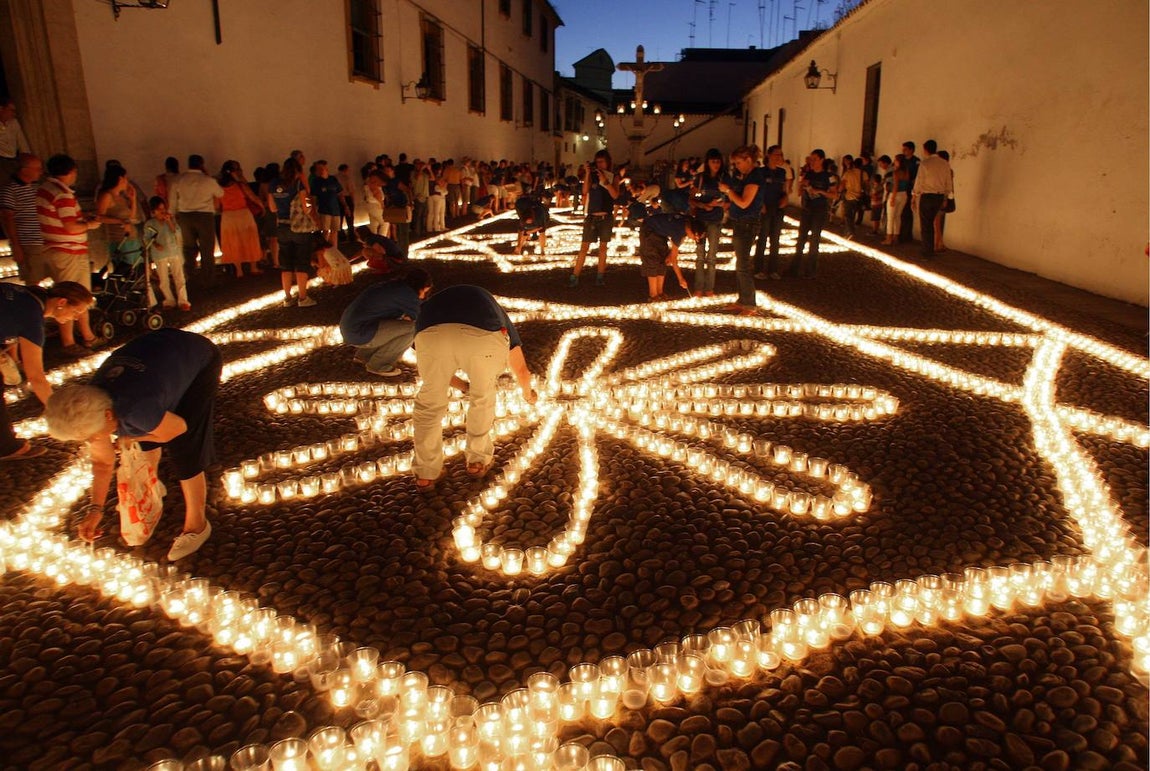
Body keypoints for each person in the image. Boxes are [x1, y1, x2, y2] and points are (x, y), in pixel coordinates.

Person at [45, 329, 221, 560]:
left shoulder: (136, 408)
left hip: (197, 356)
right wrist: (95, 510)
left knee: (184, 450)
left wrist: (132, 438)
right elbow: (101, 463)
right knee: (140, 433)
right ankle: (150, 484)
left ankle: (197, 525)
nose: (92, 441)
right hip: (154, 359)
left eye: (92, 435)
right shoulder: (88, 406)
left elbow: (178, 429)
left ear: (108, 416)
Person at [412, 285, 537, 491]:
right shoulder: (493, 311)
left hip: (429, 333)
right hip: (482, 335)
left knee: (429, 404)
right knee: (483, 396)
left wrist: (463, 387)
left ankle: (426, 473)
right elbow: (521, 369)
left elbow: (438, 369)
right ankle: (477, 461)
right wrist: (528, 394)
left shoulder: (430, 308)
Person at [0, 281, 94, 460]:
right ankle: (7, 447)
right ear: (61, 302)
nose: (75, 318)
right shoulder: (32, 319)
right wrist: (59, 412)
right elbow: (36, 377)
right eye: (75, 312)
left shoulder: (30, 296)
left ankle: (6, 445)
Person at [35, 154, 105, 356]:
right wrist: (90, 224)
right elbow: (70, 226)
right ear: (71, 171)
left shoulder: (45, 190)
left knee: (79, 295)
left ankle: (87, 336)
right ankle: (70, 342)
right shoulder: (62, 194)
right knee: (70, 296)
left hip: (57, 248)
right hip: (68, 250)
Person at [340, 267, 433, 376]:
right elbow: (422, 322)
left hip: (350, 329)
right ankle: (379, 365)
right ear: (421, 287)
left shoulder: (395, 287)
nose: (423, 296)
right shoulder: (408, 296)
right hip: (359, 333)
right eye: (425, 292)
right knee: (413, 329)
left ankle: (364, 356)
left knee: (402, 326)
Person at [718, 145, 764, 314]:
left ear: (748, 160)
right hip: (740, 222)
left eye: (738, 162)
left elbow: (745, 202)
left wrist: (728, 191)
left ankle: (750, 303)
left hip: (747, 224)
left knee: (743, 265)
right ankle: (743, 299)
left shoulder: (754, 178)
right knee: (739, 263)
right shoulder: (748, 176)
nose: (737, 166)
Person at [268, 158, 318, 307]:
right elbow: (306, 206)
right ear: (298, 171)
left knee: (286, 263)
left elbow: (272, 208)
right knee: (302, 262)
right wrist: (310, 204)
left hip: (282, 227)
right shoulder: (298, 184)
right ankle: (303, 298)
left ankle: (287, 298)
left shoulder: (273, 184)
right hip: (299, 228)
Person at [569, 150, 620, 287]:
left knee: (603, 248)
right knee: (584, 247)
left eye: (602, 161)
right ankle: (575, 276)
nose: (599, 164)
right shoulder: (592, 176)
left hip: (606, 217)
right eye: (597, 162)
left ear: (608, 162)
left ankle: (600, 276)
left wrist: (606, 182)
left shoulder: (613, 176)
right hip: (591, 216)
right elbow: (585, 191)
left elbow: (615, 195)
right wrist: (587, 174)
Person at [785, 149, 839, 279]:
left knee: (814, 241)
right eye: (811, 159)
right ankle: (794, 268)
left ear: (822, 160)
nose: (812, 162)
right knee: (801, 239)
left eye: (814, 159)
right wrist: (802, 185)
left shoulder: (829, 176)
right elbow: (799, 192)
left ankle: (811, 270)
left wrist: (820, 192)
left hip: (819, 210)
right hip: (807, 209)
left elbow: (834, 194)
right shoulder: (808, 174)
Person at [169, 154, 223, 283]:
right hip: (204, 215)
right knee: (207, 247)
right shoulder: (207, 180)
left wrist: (172, 213)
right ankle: (208, 277)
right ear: (201, 165)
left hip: (185, 215)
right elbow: (220, 193)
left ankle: (190, 275)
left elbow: (172, 199)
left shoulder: (179, 180)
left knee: (188, 247)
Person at [0, 153, 46, 284]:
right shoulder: (9, 190)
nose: (41, 172)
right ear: (24, 170)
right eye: (37, 168)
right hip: (28, 242)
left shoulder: (36, 188)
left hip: (44, 241)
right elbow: (7, 218)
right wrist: (16, 245)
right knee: (34, 280)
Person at [217, 160, 265, 277]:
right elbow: (253, 197)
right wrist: (262, 207)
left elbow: (217, 206)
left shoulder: (218, 187)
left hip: (228, 217)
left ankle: (239, 270)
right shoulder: (240, 185)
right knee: (250, 240)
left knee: (233, 243)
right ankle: (253, 267)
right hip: (243, 214)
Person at [637, 211, 701, 301]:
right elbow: (674, 261)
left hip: (661, 233)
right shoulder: (679, 230)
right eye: (695, 237)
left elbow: (676, 246)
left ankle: (660, 292)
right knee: (652, 260)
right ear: (691, 230)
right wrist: (681, 279)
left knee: (663, 260)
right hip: (649, 229)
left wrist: (670, 255)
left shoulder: (687, 223)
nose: (694, 239)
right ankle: (653, 294)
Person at [143, 196, 190, 310]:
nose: (162, 211)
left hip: (173, 251)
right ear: (153, 211)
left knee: (179, 277)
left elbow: (176, 232)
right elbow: (146, 238)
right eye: (159, 209)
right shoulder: (149, 224)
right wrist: (155, 244)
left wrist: (169, 221)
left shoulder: (170, 220)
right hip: (159, 254)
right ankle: (169, 300)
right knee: (163, 280)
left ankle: (183, 300)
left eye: (163, 208)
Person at [692, 148, 726, 297]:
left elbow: (730, 200)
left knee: (712, 256)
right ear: (707, 163)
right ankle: (699, 287)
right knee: (700, 255)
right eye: (713, 161)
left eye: (718, 161)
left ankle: (709, 288)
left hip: (715, 220)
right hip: (700, 220)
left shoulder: (724, 179)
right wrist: (704, 205)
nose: (716, 164)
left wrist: (719, 205)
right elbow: (691, 200)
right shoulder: (700, 179)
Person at [95, 165, 142, 270]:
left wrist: (133, 199)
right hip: (119, 239)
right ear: (120, 179)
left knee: (137, 269)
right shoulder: (107, 195)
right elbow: (99, 217)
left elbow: (132, 217)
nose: (127, 181)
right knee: (126, 270)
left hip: (131, 237)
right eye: (126, 178)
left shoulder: (121, 197)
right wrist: (120, 221)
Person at [911, 139, 953, 259]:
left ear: (925, 149)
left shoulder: (925, 164)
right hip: (939, 197)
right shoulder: (945, 164)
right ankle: (933, 247)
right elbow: (948, 182)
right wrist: (947, 198)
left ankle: (927, 250)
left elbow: (919, 182)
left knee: (926, 224)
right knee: (934, 221)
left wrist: (914, 196)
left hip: (927, 196)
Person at [753, 145, 789, 280]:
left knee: (775, 239)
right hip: (765, 208)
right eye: (777, 154)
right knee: (762, 239)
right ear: (769, 155)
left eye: (781, 154)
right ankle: (758, 269)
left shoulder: (782, 172)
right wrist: (760, 204)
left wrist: (785, 198)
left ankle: (773, 269)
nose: (779, 157)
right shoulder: (761, 172)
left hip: (778, 208)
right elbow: (756, 190)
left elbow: (784, 189)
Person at [310, 160, 346, 246]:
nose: (321, 170)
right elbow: (313, 197)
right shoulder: (316, 181)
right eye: (319, 168)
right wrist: (314, 211)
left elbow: (340, 193)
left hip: (335, 209)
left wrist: (345, 205)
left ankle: (334, 249)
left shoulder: (333, 179)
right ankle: (324, 249)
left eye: (323, 168)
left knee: (335, 231)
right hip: (324, 210)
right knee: (325, 231)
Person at [0, 98, 32, 183]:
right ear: (1, 109)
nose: (13, 114)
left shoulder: (14, 123)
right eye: (11, 110)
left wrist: (28, 161)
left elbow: (22, 142)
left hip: (14, 160)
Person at [881, 154, 909, 246]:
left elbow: (896, 185)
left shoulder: (896, 172)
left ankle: (889, 238)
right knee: (898, 217)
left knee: (890, 217)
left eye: (895, 160)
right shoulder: (906, 172)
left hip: (895, 194)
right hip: (904, 194)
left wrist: (892, 198)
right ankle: (896, 237)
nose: (894, 162)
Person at [838, 155, 865, 240]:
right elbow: (867, 185)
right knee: (852, 216)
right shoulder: (863, 173)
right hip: (859, 196)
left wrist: (839, 191)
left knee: (848, 215)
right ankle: (848, 231)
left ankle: (850, 231)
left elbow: (842, 184)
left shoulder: (848, 173)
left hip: (849, 196)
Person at [898, 141, 919, 243]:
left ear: (911, 150)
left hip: (910, 188)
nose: (903, 151)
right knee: (899, 212)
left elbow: (917, 176)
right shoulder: (901, 160)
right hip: (900, 188)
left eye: (905, 149)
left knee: (907, 212)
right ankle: (899, 232)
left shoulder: (916, 161)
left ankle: (906, 234)